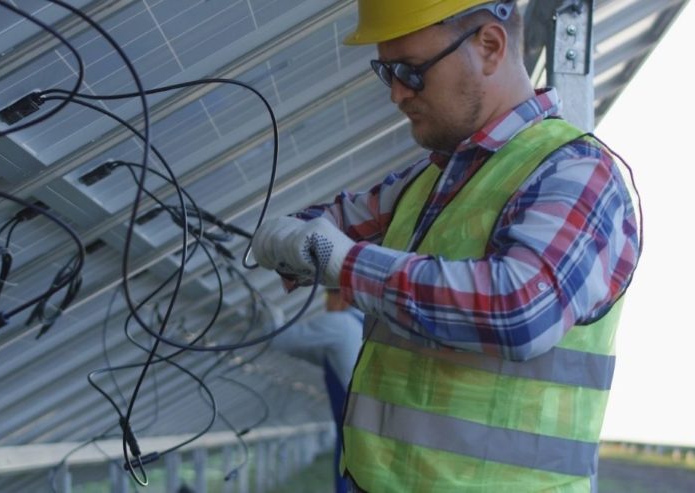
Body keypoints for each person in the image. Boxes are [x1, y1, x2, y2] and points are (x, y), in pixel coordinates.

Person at [250, 1, 640, 491]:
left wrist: (343, 263)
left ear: (490, 46)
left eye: (411, 72)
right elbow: (321, 228)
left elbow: (518, 310)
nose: (396, 93)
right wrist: (290, 240)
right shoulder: (425, 182)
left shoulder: (576, 173)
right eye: (386, 71)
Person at [271, 289, 363, 493]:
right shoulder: (359, 327)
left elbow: (281, 340)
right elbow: (312, 353)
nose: (325, 305)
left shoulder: (339, 324)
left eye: (327, 298)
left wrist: (270, 316)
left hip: (353, 428)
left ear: (341, 298)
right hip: (359, 424)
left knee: (348, 481)